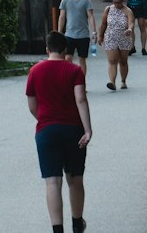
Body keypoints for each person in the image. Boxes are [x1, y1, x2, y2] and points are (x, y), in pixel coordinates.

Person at [26, 30, 92, 233]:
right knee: (75, 179)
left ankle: (57, 228)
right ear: (65, 50)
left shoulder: (35, 71)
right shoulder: (74, 71)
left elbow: (32, 104)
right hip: (73, 129)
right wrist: (87, 129)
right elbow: (80, 99)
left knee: (53, 181)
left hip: (46, 131)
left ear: (47, 49)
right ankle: (77, 222)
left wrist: (45, 121)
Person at [57, 0, 97, 71]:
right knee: (67, 58)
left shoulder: (86, 0)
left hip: (83, 35)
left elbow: (91, 16)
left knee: (82, 59)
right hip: (69, 34)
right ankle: (69, 79)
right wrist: (59, 32)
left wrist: (94, 32)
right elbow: (62, 17)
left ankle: (81, 81)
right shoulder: (65, 0)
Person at [98, 0, 134, 89]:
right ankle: (112, 82)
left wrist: (130, 29)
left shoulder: (128, 11)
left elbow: (131, 23)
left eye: (119, 2)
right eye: (115, 2)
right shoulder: (108, 9)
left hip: (124, 38)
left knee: (123, 61)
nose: (117, 4)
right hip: (110, 37)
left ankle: (123, 81)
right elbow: (103, 23)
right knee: (112, 60)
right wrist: (100, 36)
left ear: (122, 1)